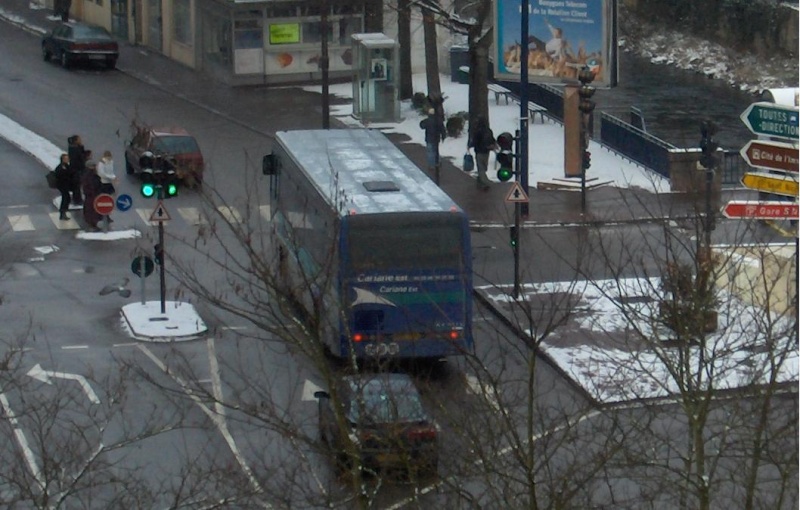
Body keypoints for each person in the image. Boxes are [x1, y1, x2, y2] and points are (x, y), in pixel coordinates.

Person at [468, 115, 497, 191]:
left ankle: (484, 182)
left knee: (480, 168)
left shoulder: (477, 131)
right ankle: (480, 180)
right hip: (487, 151)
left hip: (479, 151)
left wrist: (470, 146)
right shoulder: (489, 130)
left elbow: (475, 141)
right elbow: (492, 139)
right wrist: (493, 146)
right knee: (484, 167)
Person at [419, 108, 446, 173]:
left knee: (430, 152)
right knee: (435, 150)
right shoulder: (439, 120)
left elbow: (422, 126)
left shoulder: (427, 121)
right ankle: (438, 161)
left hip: (429, 138)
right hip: (436, 138)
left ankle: (431, 165)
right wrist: (443, 136)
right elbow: (442, 130)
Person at [68, 135, 90, 206]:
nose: (81, 140)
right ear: (76, 141)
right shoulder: (74, 149)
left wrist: (81, 146)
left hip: (76, 170)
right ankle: (77, 200)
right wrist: (85, 157)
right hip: (76, 170)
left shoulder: (74, 148)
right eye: (79, 139)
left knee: (77, 185)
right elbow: (80, 158)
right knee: (77, 186)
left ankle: (78, 199)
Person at [82, 162, 102, 230]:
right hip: (92, 195)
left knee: (91, 209)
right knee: (92, 210)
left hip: (91, 195)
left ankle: (93, 223)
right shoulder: (90, 175)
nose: (95, 167)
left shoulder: (88, 174)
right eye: (94, 166)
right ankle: (93, 223)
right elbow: (92, 185)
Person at [54, 153, 73, 220]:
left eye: (68, 158)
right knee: (66, 198)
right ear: (63, 159)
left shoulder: (66, 166)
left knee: (67, 198)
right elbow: (61, 176)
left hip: (65, 185)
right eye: (66, 159)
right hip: (62, 185)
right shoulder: (61, 167)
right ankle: (62, 212)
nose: (67, 160)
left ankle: (63, 212)